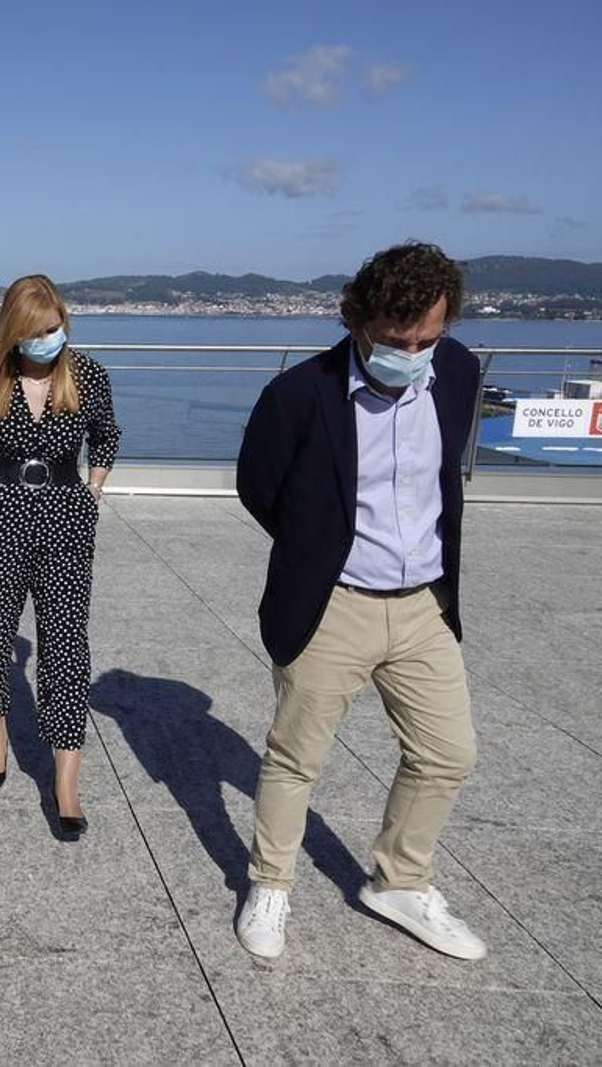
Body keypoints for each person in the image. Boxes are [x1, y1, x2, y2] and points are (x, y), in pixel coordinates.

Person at [234, 241, 485, 962]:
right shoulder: (299, 393)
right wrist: (317, 546)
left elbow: (441, 477)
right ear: (356, 320)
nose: (411, 353)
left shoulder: (459, 372)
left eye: (426, 339)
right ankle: (271, 883)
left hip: (422, 604)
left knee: (447, 754)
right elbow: (260, 486)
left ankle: (399, 881)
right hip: (332, 602)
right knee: (295, 757)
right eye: (395, 339)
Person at [0, 274, 120, 840]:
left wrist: (91, 491)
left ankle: (66, 779)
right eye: (37, 330)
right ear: (14, 332)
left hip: (65, 520)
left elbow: (107, 436)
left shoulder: (86, 374)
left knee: (66, 645)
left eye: (56, 326)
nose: (49, 338)